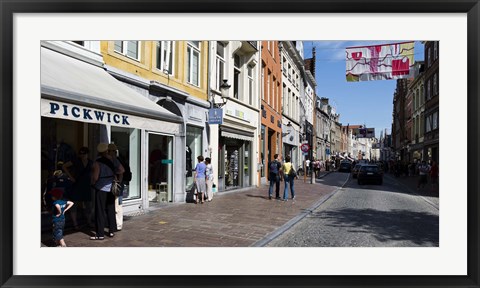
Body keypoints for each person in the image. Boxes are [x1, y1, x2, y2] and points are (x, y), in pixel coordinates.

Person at [90, 143, 122, 240]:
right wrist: (116, 179)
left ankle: (100, 234)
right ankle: (111, 231)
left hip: (101, 188)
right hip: (111, 187)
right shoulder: (113, 159)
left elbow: (95, 176)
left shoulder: (97, 161)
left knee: (100, 210)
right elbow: (121, 170)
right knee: (111, 209)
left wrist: (93, 183)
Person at [62, 146, 93, 229]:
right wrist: (70, 177)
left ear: (87, 154)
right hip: (77, 184)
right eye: (81, 154)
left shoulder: (90, 162)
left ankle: (89, 221)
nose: (82, 155)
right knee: (74, 204)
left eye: (84, 154)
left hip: (87, 186)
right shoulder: (76, 161)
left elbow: (93, 172)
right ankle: (75, 223)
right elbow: (64, 166)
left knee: (88, 205)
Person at [108, 143, 126, 231]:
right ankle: (117, 223)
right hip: (118, 185)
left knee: (118, 205)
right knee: (117, 204)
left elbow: (122, 171)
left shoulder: (115, 160)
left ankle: (118, 224)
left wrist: (118, 181)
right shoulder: (116, 159)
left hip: (117, 186)